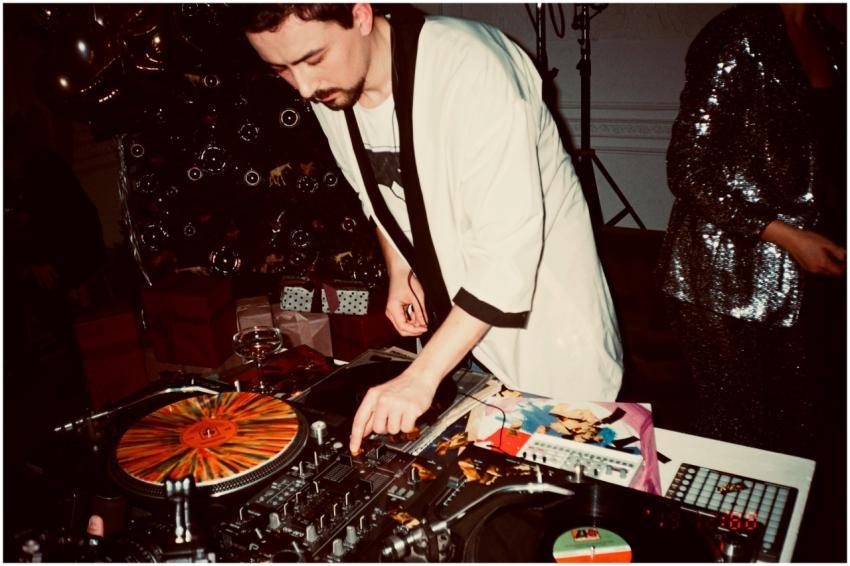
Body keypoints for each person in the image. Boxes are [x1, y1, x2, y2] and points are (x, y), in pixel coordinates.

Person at [238, 4, 623, 452]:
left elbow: (507, 259)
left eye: (312, 59)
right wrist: (399, 268)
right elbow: (377, 190)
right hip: (460, 337)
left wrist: (421, 376)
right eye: (280, 69)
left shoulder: (473, 69)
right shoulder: (333, 88)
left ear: (360, 15)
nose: (303, 88)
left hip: (548, 332)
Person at [658, 4, 846, 456]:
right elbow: (686, 168)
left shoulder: (829, 34)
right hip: (726, 277)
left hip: (807, 271)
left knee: (804, 431)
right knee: (740, 440)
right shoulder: (737, 34)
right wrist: (785, 235)